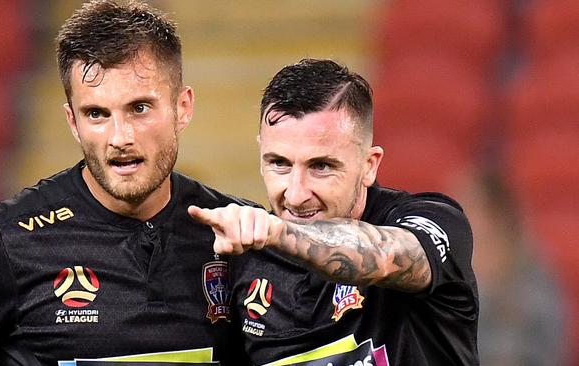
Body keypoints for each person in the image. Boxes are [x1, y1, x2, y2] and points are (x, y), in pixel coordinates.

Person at [0, 1, 254, 365]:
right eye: (96, 114)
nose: (120, 137)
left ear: (183, 107)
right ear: (72, 121)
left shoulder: (241, 239)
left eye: (139, 108)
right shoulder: (0, 244)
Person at [189, 59, 479, 365]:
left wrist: (279, 233)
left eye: (321, 166)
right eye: (279, 163)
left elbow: (387, 259)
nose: (296, 194)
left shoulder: (435, 222)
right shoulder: (245, 264)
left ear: (369, 166)